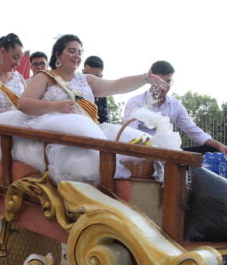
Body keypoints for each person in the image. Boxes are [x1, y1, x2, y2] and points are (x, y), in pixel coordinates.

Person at [18, 34, 167, 182]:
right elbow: (23, 104)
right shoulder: (44, 77)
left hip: (91, 134)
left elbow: (116, 85)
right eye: (71, 51)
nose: (77, 55)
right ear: (58, 54)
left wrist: (145, 78)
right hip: (60, 139)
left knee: (140, 142)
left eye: (79, 52)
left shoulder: (86, 80)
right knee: (92, 161)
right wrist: (55, 106)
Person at [124, 60, 227, 155]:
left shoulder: (175, 105)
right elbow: (130, 133)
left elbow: (193, 131)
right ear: (151, 80)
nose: (164, 86)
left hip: (171, 153)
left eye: (168, 81)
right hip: (144, 152)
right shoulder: (136, 102)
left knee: (213, 150)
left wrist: (218, 145)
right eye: (160, 81)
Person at [83, 55, 109, 123]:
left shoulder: (102, 95)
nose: (91, 80)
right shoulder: (71, 88)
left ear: (101, 77)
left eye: (95, 77)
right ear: (82, 72)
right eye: (87, 75)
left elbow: (104, 119)